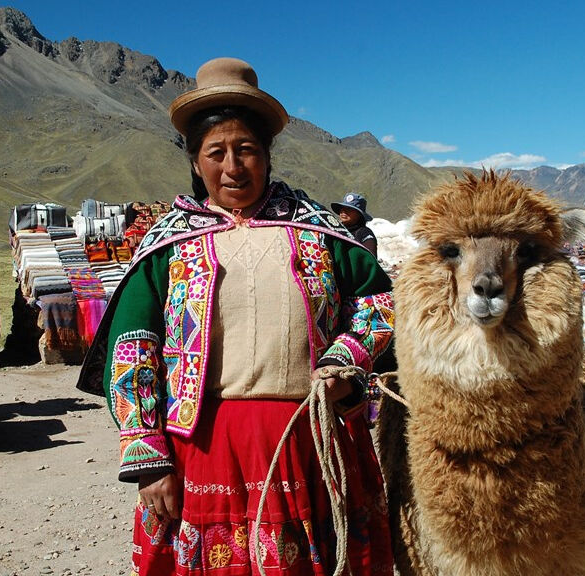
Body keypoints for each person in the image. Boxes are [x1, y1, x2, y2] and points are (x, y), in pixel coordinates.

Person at [77, 57, 395, 575]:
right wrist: (147, 457)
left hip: (310, 438)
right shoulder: (168, 245)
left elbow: (379, 306)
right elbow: (133, 347)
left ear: (267, 155)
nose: (233, 167)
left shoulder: (319, 233)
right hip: (202, 445)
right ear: (196, 163)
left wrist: (344, 362)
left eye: (246, 150)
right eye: (216, 153)